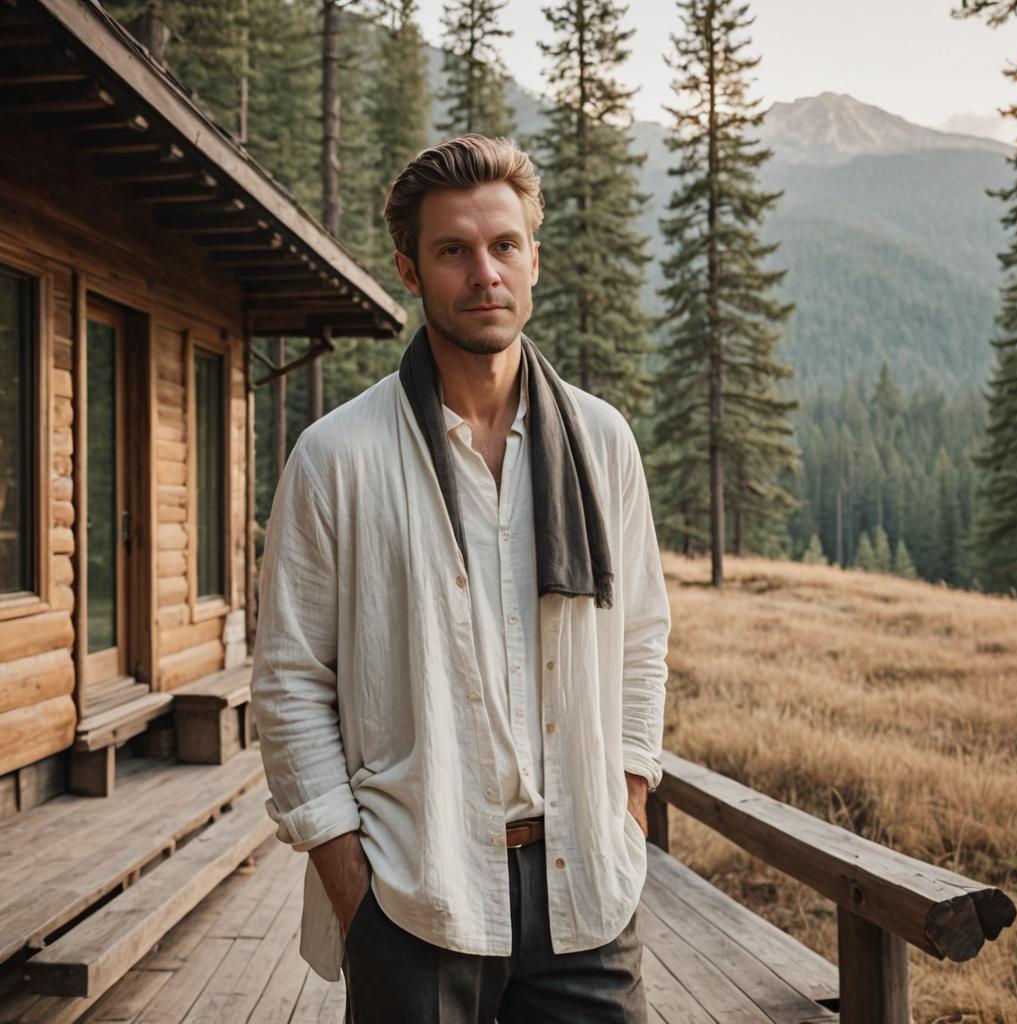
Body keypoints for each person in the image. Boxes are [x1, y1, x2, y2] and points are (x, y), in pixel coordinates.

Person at [250, 133, 671, 1023]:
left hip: (586, 891)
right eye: (454, 250)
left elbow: (640, 639)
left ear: (533, 259)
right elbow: (289, 685)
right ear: (410, 269)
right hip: (417, 894)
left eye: (504, 245)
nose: (485, 273)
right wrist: (350, 886)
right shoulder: (338, 458)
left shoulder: (603, 444)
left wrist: (628, 805)